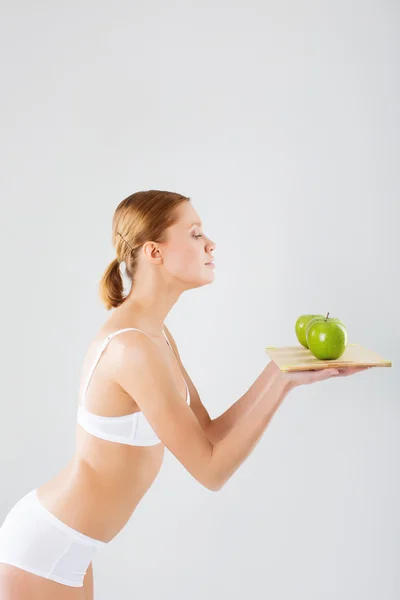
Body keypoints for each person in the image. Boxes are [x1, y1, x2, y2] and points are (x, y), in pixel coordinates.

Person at [0, 190, 369, 599]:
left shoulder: (155, 335)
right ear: (154, 252)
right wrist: (281, 386)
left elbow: (208, 432)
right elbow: (211, 471)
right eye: (194, 234)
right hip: (44, 545)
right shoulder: (132, 349)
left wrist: (281, 371)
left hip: (71, 545)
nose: (210, 243)